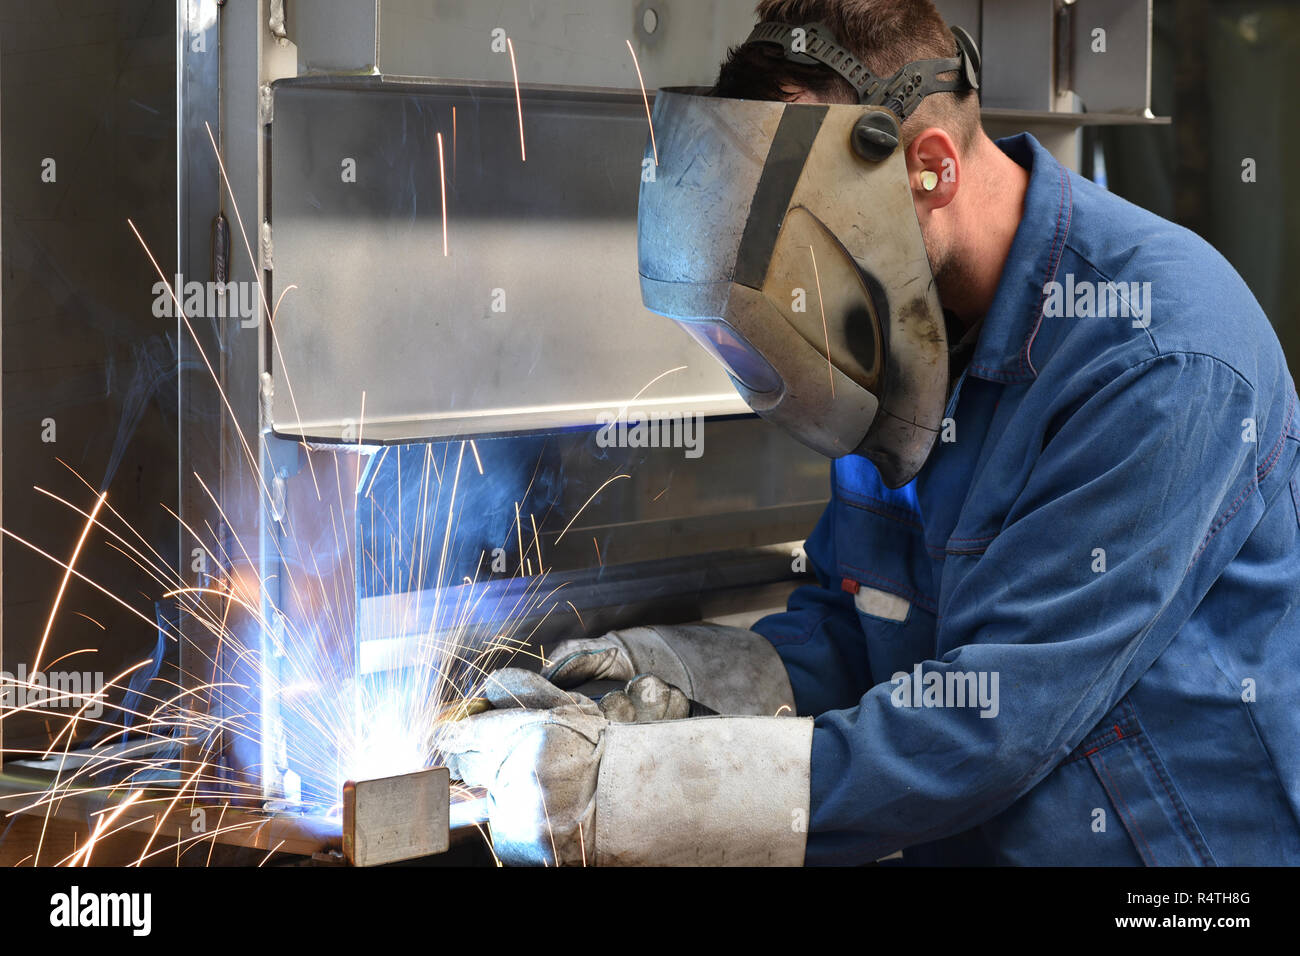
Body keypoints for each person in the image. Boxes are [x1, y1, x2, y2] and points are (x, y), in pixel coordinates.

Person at [438, 0, 1300, 866]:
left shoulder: (1158, 357)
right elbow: (859, 633)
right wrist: (663, 683)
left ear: (928, 169)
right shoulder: (912, 339)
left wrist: (633, 800)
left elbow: (987, 722)